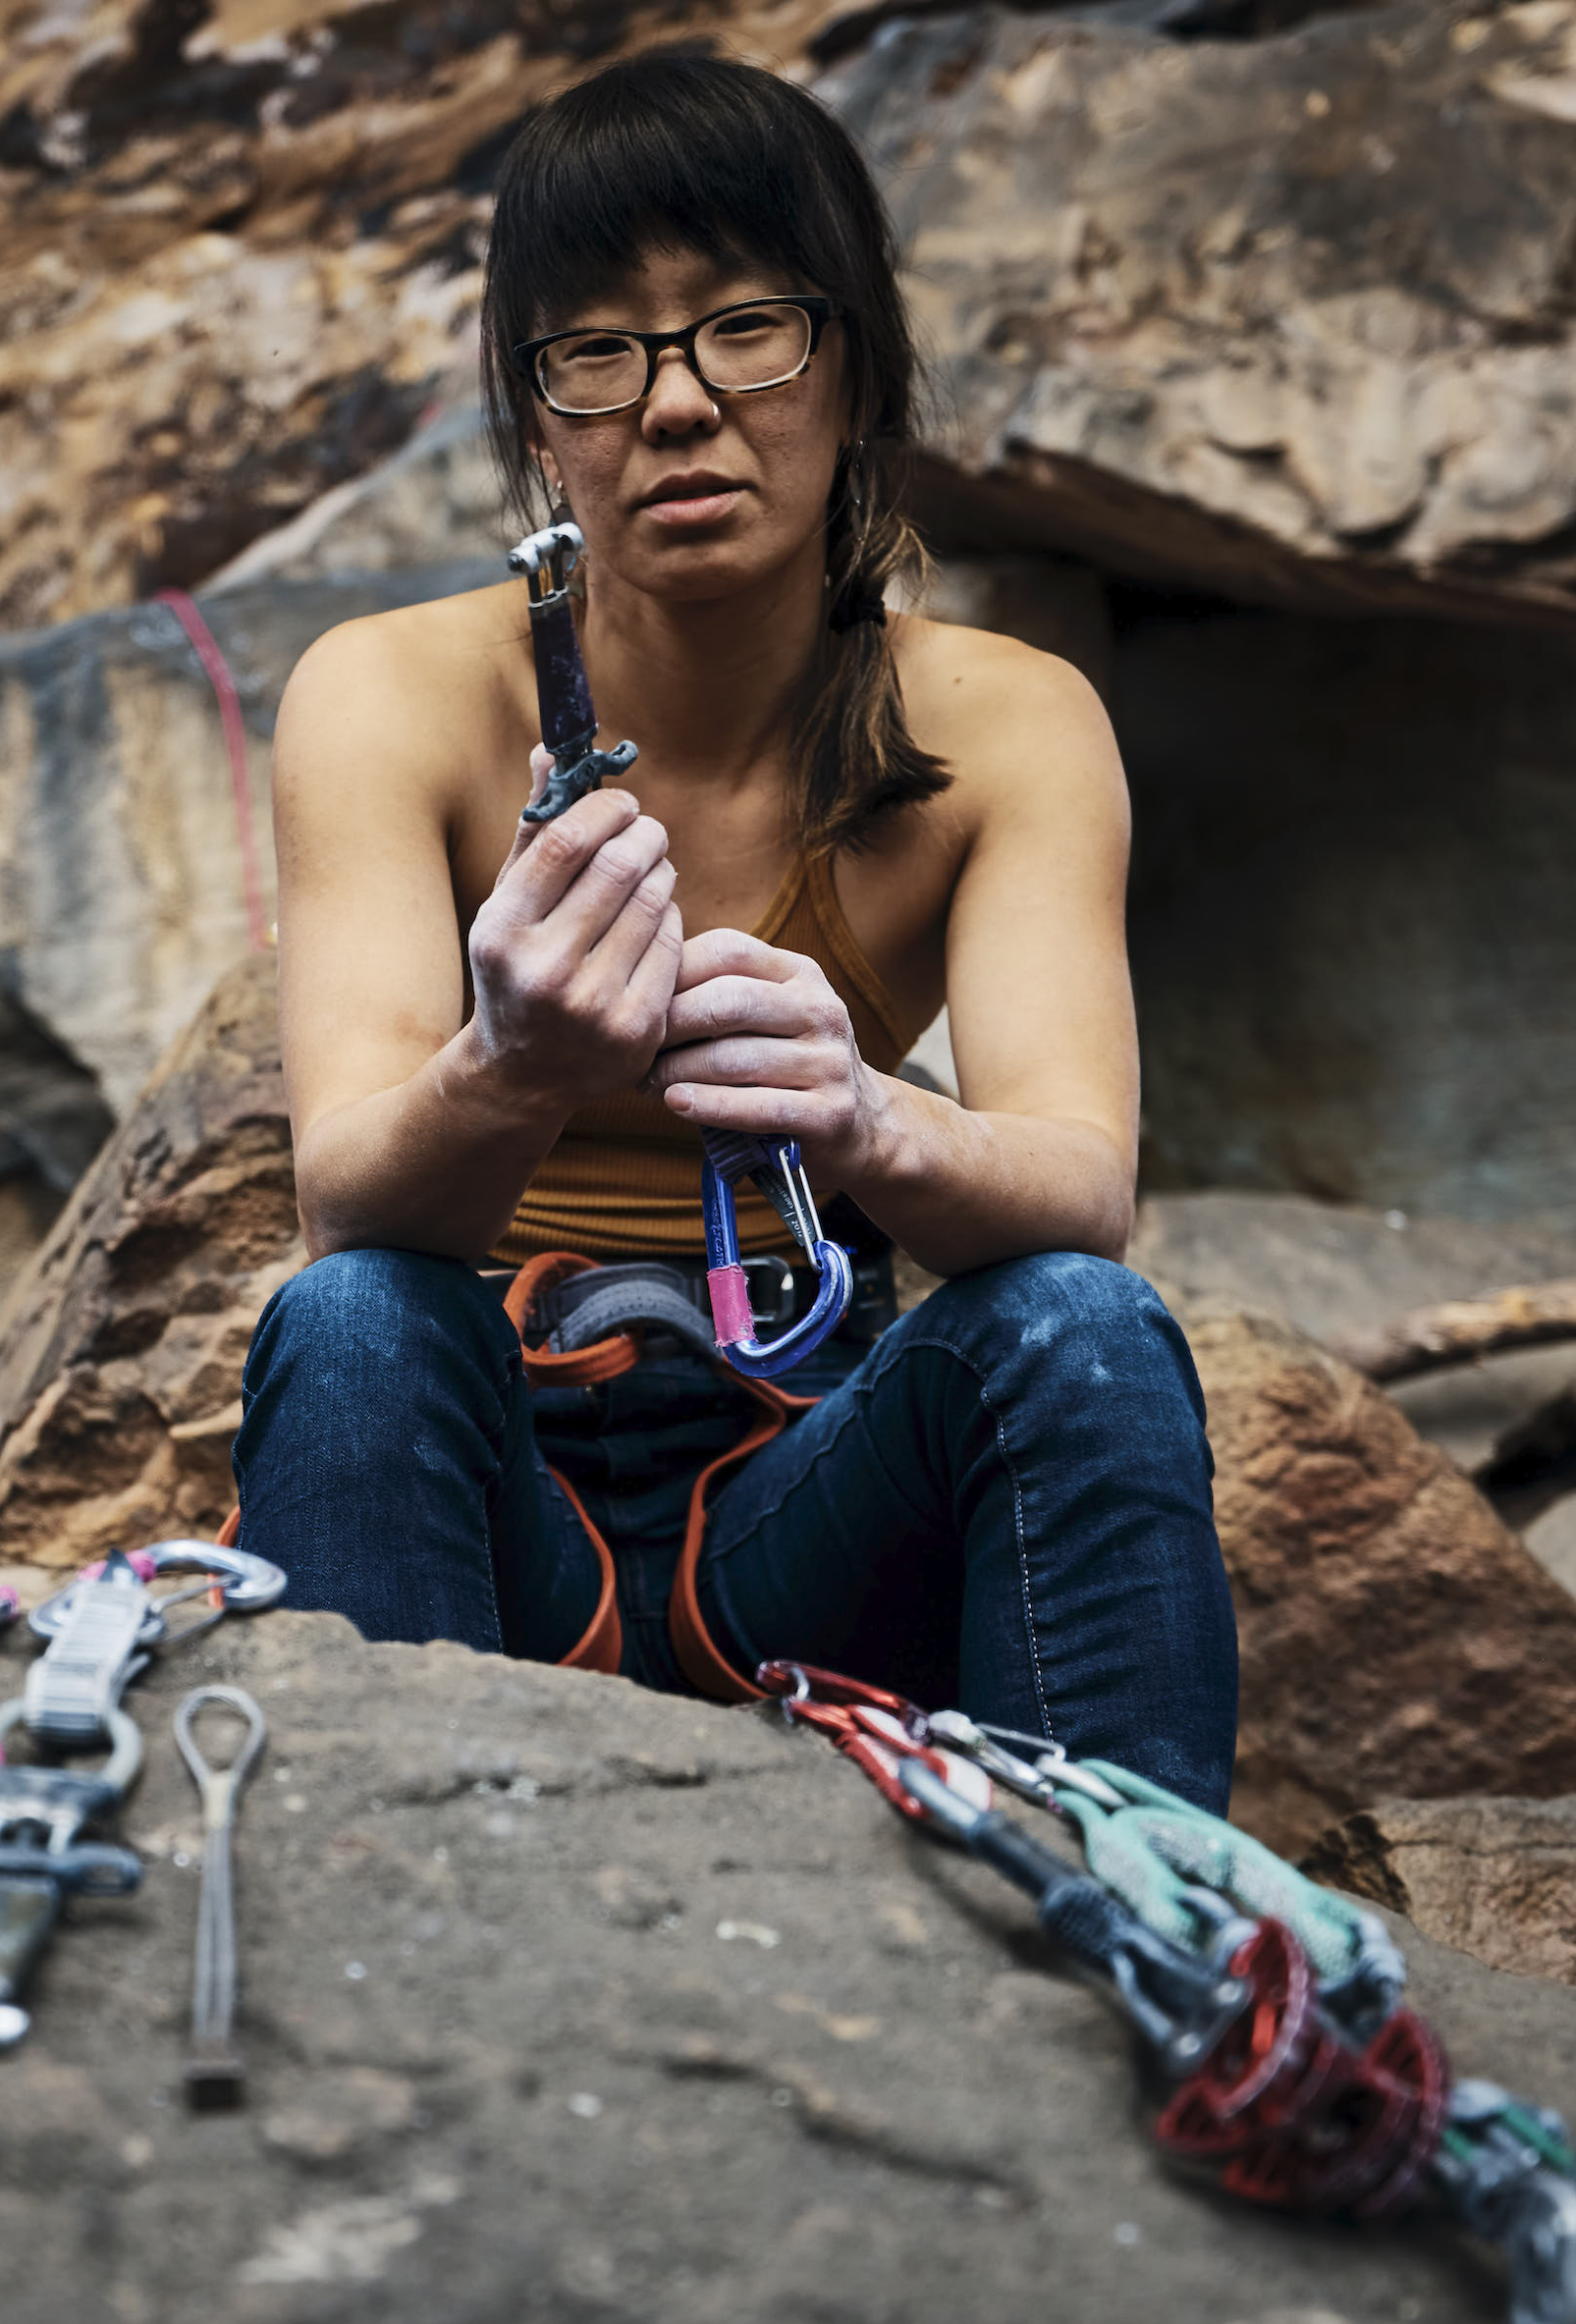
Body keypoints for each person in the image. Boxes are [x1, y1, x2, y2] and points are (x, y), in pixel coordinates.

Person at [230, 51, 1238, 1810]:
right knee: (358, 1327)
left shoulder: (1008, 726)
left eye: (747, 329)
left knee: (1083, 1328)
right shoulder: (388, 698)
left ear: (860, 368)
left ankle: (1120, 1925)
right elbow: (349, 1200)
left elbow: (1082, 1190)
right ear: (538, 420)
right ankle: (386, 1923)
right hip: (499, 1473)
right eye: (598, 353)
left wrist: (864, 1117)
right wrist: (511, 1067)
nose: (678, 406)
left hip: (810, 1485)